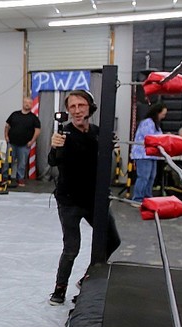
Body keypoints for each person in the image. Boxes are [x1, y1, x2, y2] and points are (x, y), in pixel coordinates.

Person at [48, 89, 121, 305]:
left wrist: (110, 144)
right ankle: (59, 289)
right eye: (72, 106)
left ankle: (87, 278)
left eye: (81, 105)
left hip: (94, 199)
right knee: (72, 248)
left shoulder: (99, 132)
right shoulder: (64, 134)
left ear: (90, 107)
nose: (77, 110)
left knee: (112, 239)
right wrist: (55, 146)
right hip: (69, 200)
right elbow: (53, 161)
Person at [131, 102, 167, 202]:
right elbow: (150, 137)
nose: (163, 117)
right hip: (143, 154)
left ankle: (147, 197)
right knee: (143, 177)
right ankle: (137, 198)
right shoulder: (147, 123)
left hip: (152, 155)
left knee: (151, 177)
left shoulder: (156, 124)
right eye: (163, 114)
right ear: (157, 113)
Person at [4, 97, 41, 187]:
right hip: (12, 143)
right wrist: (6, 136)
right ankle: (4, 178)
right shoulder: (14, 114)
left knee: (22, 163)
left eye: (29, 103)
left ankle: (20, 179)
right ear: (23, 103)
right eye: (26, 102)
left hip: (24, 145)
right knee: (8, 161)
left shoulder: (34, 118)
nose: (27, 104)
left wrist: (32, 141)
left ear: (31, 105)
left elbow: (37, 130)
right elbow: (7, 126)